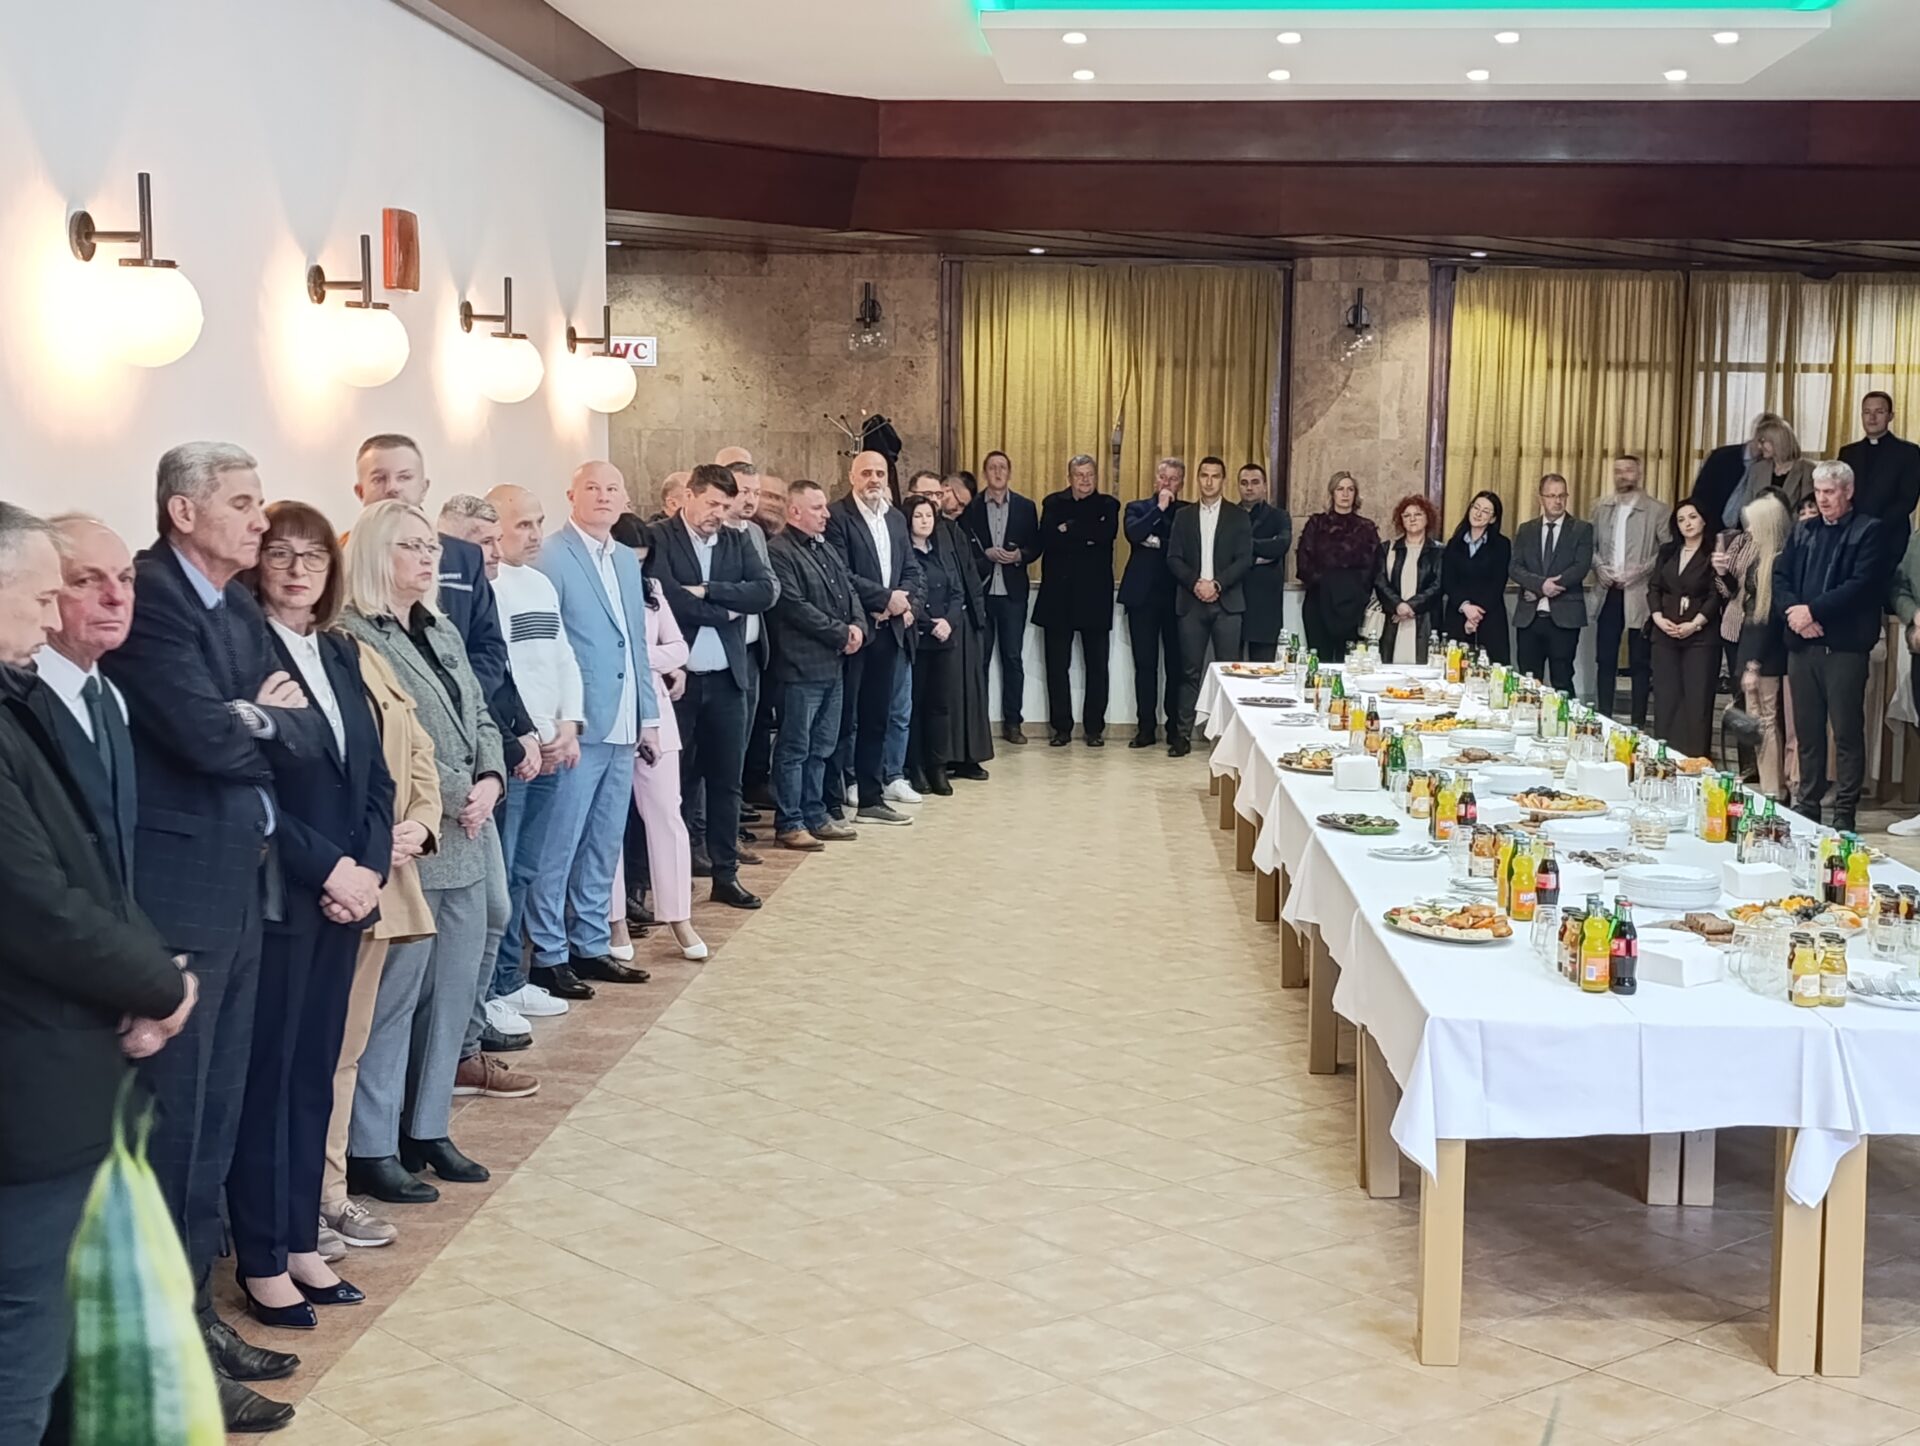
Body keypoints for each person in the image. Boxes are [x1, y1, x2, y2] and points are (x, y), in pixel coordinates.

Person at [101, 442, 328, 1430]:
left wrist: (253, 720)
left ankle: (200, 1318)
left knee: (216, 1127)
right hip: (179, 902)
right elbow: (202, 736)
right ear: (183, 512)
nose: (260, 520)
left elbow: (302, 731)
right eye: (241, 502)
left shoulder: (233, 606)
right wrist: (254, 721)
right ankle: (169, 1348)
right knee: (176, 1134)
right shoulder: (151, 597)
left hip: (238, 894)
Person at [0, 503, 199, 1443]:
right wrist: (160, 988)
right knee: (22, 1344)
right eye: (46, 594)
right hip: (28, 1075)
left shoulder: (30, 699)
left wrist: (148, 975)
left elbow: (92, 872)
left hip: (60, 1060)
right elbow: (36, 904)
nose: (52, 618)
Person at [229, 503, 390, 1332]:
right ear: (255, 564)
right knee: (271, 1077)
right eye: (280, 555)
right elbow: (250, 787)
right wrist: (329, 868)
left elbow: (373, 776)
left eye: (313, 557)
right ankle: (261, 1257)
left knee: (314, 1072)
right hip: (281, 894)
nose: (297, 571)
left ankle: (300, 1240)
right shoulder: (242, 654)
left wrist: (366, 871)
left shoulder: (339, 651)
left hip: (344, 895)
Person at [338, 502, 507, 1201]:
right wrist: (451, 795)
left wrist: (491, 776)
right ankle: (373, 1144)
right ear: (376, 554)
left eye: (431, 546)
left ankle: (428, 1126)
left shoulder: (438, 625)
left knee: (454, 990)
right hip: (411, 836)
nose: (430, 557)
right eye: (412, 546)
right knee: (394, 998)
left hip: (469, 826)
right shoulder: (352, 634)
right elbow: (388, 743)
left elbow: (479, 714)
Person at [319, 617, 440, 1253]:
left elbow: (414, 750)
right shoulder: (259, 645)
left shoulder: (357, 649)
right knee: (304, 1059)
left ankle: (328, 1195)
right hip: (318, 883)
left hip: (378, 881)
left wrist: (420, 822)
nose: (301, 575)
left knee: (345, 1053)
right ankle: (293, 1204)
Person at [650, 464, 777, 901]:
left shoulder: (737, 540)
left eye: (725, 506)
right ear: (689, 495)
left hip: (727, 681)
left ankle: (726, 875)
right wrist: (728, 610)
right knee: (675, 784)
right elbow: (668, 598)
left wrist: (708, 590)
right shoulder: (660, 538)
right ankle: (671, 877)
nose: (718, 514)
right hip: (677, 684)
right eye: (711, 504)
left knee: (726, 782)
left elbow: (764, 592)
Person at [480, 484, 583, 1021]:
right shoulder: (486, 588)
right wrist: (524, 735)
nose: (536, 534)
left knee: (525, 869)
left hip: (550, 743)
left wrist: (569, 724)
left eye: (539, 522)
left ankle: (511, 979)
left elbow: (561, 658)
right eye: (523, 524)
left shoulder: (539, 583)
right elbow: (501, 674)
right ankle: (491, 990)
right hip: (516, 751)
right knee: (500, 876)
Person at [1776, 461, 1886, 832]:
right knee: (1807, 733)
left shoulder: (1868, 530)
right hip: (1802, 647)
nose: (1822, 499)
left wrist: (1813, 611)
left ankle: (1844, 811)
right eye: (1819, 492)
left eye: (1830, 492)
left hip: (1844, 649)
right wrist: (1795, 614)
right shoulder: (1803, 530)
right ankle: (1808, 804)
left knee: (1846, 733)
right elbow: (1780, 577)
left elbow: (1861, 585)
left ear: (1848, 492)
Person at [33, 516, 139, 888]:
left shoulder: (112, 697)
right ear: (44, 592)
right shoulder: (14, 699)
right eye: (86, 580)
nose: (116, 597)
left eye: (126, 578)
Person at [615, 527, 706, 958]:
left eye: (641, 560)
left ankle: (679, 917)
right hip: (610, 714)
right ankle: (614, 921)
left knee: (668, 815)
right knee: (609, 824)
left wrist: (638, 657)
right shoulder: (591, 587)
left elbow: (679, 649)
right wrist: (645, 658)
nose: (634, 568)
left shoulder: (651, 589)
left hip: (656, 712)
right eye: (628, 559)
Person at [766, 480, 863, 850]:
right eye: (818, 508)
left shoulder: (823, 546)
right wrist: (841, 633)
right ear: (794, 511)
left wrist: (858, 626)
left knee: (822, 746)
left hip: (833, 665)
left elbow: (848, 589)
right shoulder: (779, 551)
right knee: (795, 748)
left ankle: (815, 814)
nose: (826, 514)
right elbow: (794, 607)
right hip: (799, 667)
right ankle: (789, 822)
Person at [826, 451, 919, 824]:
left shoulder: (895, 518)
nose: (874, 479)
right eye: (866, 473)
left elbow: (911, 569)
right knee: (843, 721)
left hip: (888, 633)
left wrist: (901, 601)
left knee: (877, 719)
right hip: (854, 632)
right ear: (852, 476)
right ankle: (831, 801)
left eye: (880, 473)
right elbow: (840, 573)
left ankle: (870, 799)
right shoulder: (837, 516)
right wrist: (883, 599)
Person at [907, 470, 993, 780]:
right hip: (927, 624)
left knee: (965, 693)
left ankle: (967, 755)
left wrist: (973, 617)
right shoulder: (907, 531)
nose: (934, 501)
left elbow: (965, 578)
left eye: (936, 495)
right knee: (934, 699)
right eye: (926, 495)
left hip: (960, 619)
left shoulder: (952, 529)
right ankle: (932, 762)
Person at [1166, 456, 1253, 755]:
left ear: (1223, 480)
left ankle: (1229, 738)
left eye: (1215, 476)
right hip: (1191, 603)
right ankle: (1182, 736)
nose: (1209, 481)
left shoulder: (1238, 516)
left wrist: (1216, 584)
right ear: (1198, 479)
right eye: (1204, 475)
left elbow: (1244, 559)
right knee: (1189, 672)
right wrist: (1196, 583)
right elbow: (1173, 558)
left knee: (1229, 673)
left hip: (1227, 603)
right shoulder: (1184, 516)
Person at [1033, 454, 1120, 747]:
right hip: (1058, 596)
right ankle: (1061, 728)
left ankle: (1094, 729)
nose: (1085, 480)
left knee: (1097, 666)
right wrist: (1084, 534)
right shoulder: (1052, 503)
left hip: (1095, 597)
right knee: (1057, 667)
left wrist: (1069, 529)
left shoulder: (1109, 505)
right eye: (1079, 475)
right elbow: (1048, 539)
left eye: (1090, 474)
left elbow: (1104, 535)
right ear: (1069, 477)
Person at [961, 450, 1040, 745]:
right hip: (981, 594)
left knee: (1013, 659)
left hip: (1012, 594)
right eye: (992, 467)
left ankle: (1013, 723)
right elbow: (963, 547)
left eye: (1002, 467)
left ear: (1009, 472)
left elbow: (1036, 545)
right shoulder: (971, 508)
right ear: (985, 473)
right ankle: (978, 725)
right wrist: (984, 555)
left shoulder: (1025, 507)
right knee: (979, 661)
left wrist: (1019, 555)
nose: (997, 472)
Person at [1716, 493, 1792, 797]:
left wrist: (1753, 664)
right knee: (1758, 722)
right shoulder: (1761, 559)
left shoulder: (1776, 562)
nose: (1748, 529)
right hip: (1751, 647)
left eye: (1753, 523)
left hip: (1764, 655)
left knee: (1766, 722)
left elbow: (1767, 619)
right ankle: (1768, 785)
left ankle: (1773, 789)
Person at [1590, 455, 1669, 728]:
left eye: (1628, 470)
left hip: (1640, 594)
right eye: (1618, 471)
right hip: (1608, 590)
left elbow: (1666, 551)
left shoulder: (1657, 510)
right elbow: (1590, 546)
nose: (1623, 475)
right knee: (1605, 658)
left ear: (1639, 473)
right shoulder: (1601, 508)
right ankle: (1603, 717)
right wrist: (1599, 567)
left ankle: (1637, 722)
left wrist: (1641, 571)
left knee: (1640, 661)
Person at [1644, 499, 1723, 759]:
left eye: (1692, 517)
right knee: (1666, 699)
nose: (1687, 524)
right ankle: (1665, 758)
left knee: (1697, 701)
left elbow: (1716, 594)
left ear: (1704, 519)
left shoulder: (1714, 553)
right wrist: (1657, 617)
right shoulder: (1668, 551)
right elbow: (1654, 587)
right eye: (1681, 520)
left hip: (1700, 638)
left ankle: (1696, 761)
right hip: (1664, 633)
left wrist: (1695, 623)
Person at [1119, 457, 1187, 750]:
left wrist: (1157, 541)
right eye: (1163, 477)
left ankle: (1174, 729)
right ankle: (1145, 727)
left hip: (1176, 597)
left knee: (1176, 666)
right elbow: (1134, 534)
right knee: (1145, 665)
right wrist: (1158, 508)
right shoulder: (1136, 508)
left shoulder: (1186, 513)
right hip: (1142, 598)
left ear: (1181, 483)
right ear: (1155, 479)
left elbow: (1183, 547)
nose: (1167, 483)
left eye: (1173, 479)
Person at [1510, 473, 1593, 694]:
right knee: (1528, 682)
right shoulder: (1526, 529)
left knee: (1562, 680)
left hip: (1565, 617)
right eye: (1552, 496)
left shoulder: (1582, 529)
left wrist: (1543, 589)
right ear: (1541, 499)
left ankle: (1565, 717)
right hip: (1530, 618)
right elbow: (1515, 567)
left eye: (1562, 496)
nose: (1557, 501)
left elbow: (1580, 567)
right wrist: (1541, 586)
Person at [903, 493, 959, 795]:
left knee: (940, 706)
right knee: (915, 705)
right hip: (918, 639)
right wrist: (930, 624)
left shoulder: (941, 553)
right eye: (918, 516)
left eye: (929, 516)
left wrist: (948, 622)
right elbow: (909, 595)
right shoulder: (905, 554)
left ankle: (938, 766)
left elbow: (957, 593)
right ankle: (916, 767)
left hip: (944, 640)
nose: (925, 521)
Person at [1295, 470, 1379, 661]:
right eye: (1340, 489)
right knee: (1319, 660)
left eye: (1350, 489)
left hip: (1353, 605)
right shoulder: (1316, 524)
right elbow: (1303, 564)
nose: (1345, 494)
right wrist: (1328, 583)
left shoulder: (1366, 527)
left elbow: (1373, 568)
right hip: (1319, 601)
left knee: (1349, 663)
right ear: (1332, 493)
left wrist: (1353, 591)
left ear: (1356, 494)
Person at [1839, 391, 1920, 587]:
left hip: (1890, 536)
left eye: (1879, 412)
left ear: (1890, 416)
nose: (1872, 417)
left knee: (1887, 592)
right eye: (1867, 412)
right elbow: (1841, 493)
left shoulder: (1908, 452)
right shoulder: (1848, 453)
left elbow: (1908, 499)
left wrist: (1873, 526)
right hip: (1852, 537)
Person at [1440, 490, 1512, 665]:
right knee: (1455, 669)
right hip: (1457, 615)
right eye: (1476, 507)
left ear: (1493, 519)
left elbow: (1497, 583)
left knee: (1491, 671)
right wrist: (1465, 607)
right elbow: (1448, 580)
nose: (1478, 514)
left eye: (1485, 511)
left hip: (1489, 617)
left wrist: (1475, 616)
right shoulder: (1454, 543)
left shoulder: (1502, 545)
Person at [1374, 494, 1444, 666]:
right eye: (1407, 515)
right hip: (1394, 619)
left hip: (1425, 621)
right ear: (1401, 520)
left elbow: (1439, 584)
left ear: (1428, 518)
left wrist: (1411, 606)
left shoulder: (1439, 551)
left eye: (1418, 514)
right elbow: (1380, 581)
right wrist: (1398, 605)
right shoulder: (1387, 548)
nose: (1412, 519)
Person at [1237, 463, 1291, 662]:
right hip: (1234, 599)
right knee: (1229, 667)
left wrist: (1244, 548)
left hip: (1266, 602)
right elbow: (1223, 551)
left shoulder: (1279, 516)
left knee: (1263, 669)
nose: (1249, 488)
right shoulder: (1229, 516)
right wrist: (1259, 555)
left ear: (1265, 486)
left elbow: (1280, 546)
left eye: (1255, 482)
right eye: (1244, 483)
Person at [1694, 412, 1782, 533]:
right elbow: (1700, 496)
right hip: (1711, 528)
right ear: (1757, 436)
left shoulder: (1773, 467)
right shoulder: (1721, 457)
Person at [1728, 418, 1816, 522]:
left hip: (1792, 530)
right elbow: (1745, 507)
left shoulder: (1807, 469)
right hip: (1757, 528)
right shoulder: (1757, 469)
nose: (1759, 446)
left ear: (1778, 441)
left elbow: (1807, 510)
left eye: (1762, 441)